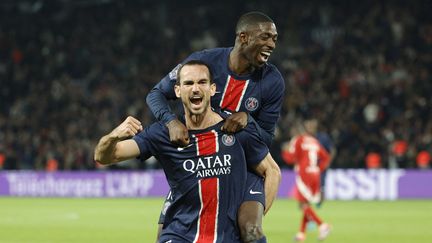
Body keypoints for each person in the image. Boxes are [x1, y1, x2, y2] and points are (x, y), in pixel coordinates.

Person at [94, 61, 281, 242]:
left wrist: (256, 218)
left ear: (213, 89)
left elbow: (271, 171)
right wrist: (113, 136)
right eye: (189, 83)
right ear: (177, 91)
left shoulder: (236, 129)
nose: (195, 89)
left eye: (202, 82)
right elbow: (104, 157)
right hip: (179, 236)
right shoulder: (162, 133)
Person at [146, 11, 284, 243]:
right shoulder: (204, 62)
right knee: (163, 234)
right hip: (196, 164)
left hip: (243, 167)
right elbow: (157, 93)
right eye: (265, 37)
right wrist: (171, 121)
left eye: (274, 39)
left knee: (250, 231)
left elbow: (266, 138)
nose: (271, 44)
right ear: (243, 37)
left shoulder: (272, 81)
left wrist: (248, 120)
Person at [281, 121, 331, 242]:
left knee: (303, 205)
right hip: (315, 174)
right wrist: (319, 168)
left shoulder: (298, 140)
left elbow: (291, 158)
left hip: (304, 175)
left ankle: (323, 226)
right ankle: (301, 234)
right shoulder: (314, 141)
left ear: (295, 132)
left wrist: (284, 152)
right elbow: (326, 158)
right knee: (305, 204)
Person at [303, 118, 336, 207]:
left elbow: (332, 150)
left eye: (312, 125)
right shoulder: (304, 138)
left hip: (321, 166)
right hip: (308, 167)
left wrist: (328, 162)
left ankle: (319, 204)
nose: (310, 127)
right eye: (308, 125)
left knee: (321, 185)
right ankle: (308, 201)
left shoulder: (323, 137)